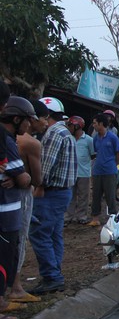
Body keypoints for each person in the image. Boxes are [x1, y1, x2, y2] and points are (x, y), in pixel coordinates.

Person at [29, 97, 77, 295]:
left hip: (51, 192)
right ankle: (54, 273)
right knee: (53, 234)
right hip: (62, 192)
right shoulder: (64, 131)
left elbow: (45, 167)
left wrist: (37, 184)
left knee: (39, 233)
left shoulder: (53, 133)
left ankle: (52, 276)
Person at [10, 99, 50, 303]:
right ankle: (15, 287)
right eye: (43, 118)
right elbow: (36, 179)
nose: (45, 122)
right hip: (21, 194)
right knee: (19, 238)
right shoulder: (31, 143)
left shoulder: (8, 139)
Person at [0, 97, 36, 319]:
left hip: (8, 209)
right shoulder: (6, 140)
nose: (29, 126)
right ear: (16, 118)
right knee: (5, 257)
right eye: (28, 120)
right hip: (6, 211)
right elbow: (24, 178)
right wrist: (23, 177)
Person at [87, 113, 119, 227]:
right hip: (97, 170)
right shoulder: (96, 138)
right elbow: (95, 152)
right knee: (96, 195)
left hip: (109, 171)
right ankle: (95, 218)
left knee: (110, 195)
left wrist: (113, 165)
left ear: (101, 124)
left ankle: (112, 219)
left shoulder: (112, 137)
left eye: (95, 123)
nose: (94, 125)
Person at [65, 116, 95, 225]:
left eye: (71, 125)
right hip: (70, 173)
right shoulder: (68, 138)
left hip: (84, 173)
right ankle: (68, 217)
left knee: (83, 196)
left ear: (78, 126)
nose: (69, 127)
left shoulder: (88, 140)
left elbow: (93, 155)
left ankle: (81, 216)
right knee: (70, 196)